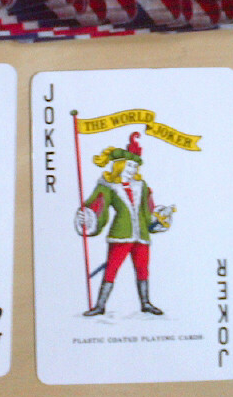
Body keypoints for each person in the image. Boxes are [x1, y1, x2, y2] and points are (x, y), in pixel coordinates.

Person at [74, 132, 174, 316]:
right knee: (112, 269)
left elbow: (148, 212)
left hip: (141, 235)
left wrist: (159, 218)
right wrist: (87, 217)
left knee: (143, 269)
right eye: (129, 165)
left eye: (135, 166)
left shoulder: (142, 186)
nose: (132, 169)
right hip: (120, 234)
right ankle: (100, 306)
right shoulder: (108, 186)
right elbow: (97, 206)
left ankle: (145, 303)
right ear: (119, 165)